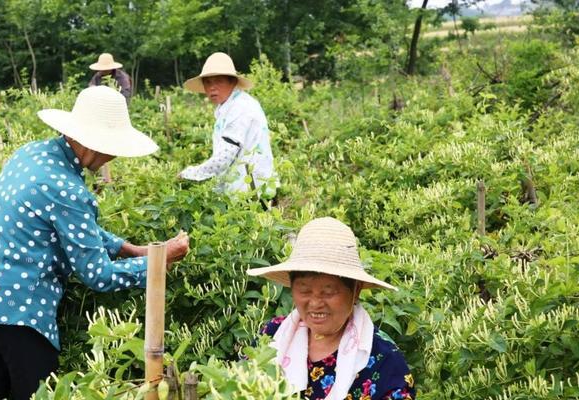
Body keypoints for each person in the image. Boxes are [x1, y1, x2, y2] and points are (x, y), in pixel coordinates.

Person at [0, 86, 190, 400]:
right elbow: (98, 275)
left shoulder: (32, 154)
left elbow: (71, 225)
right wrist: (159, 261)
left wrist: (131, 249)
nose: (114, 156)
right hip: (17, 315)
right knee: (41, 396)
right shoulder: (67, 190)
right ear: (97, 142)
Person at [247, 217, 415, 400]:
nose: (315, 303)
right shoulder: (273, 334)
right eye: (304, 291)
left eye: (328, 292)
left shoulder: (383, 359)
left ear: (355, 291)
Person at [178, 52, 277, 202]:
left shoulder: (240, 108)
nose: (212, 88)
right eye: (208, 82)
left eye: (218, 81)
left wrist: (191, 174)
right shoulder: (228, 107)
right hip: (241, 190)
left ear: (232, 82)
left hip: (252, 193)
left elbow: (225, 156)